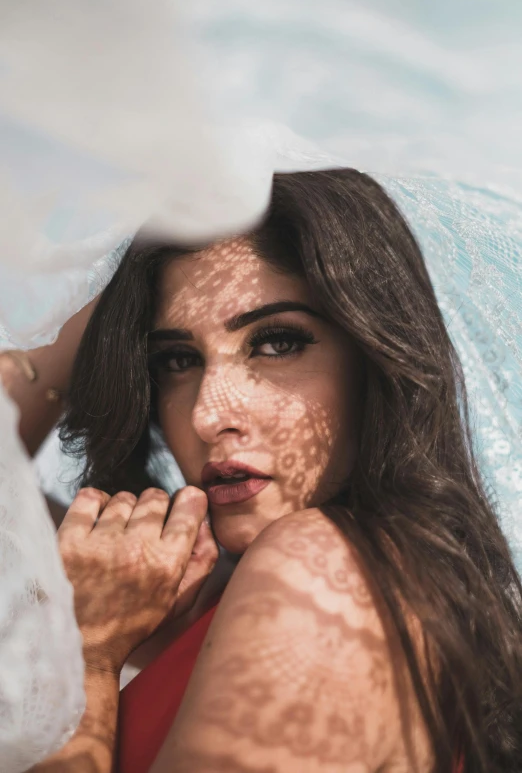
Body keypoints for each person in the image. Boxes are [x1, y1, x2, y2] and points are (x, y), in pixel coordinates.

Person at [15, 168, 522, 771]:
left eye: (276, 342)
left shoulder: (318, 565)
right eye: (176, 359)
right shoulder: (177, 599)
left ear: (376, 358)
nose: (207, 414)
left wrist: (86, 654)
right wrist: (126, 239)